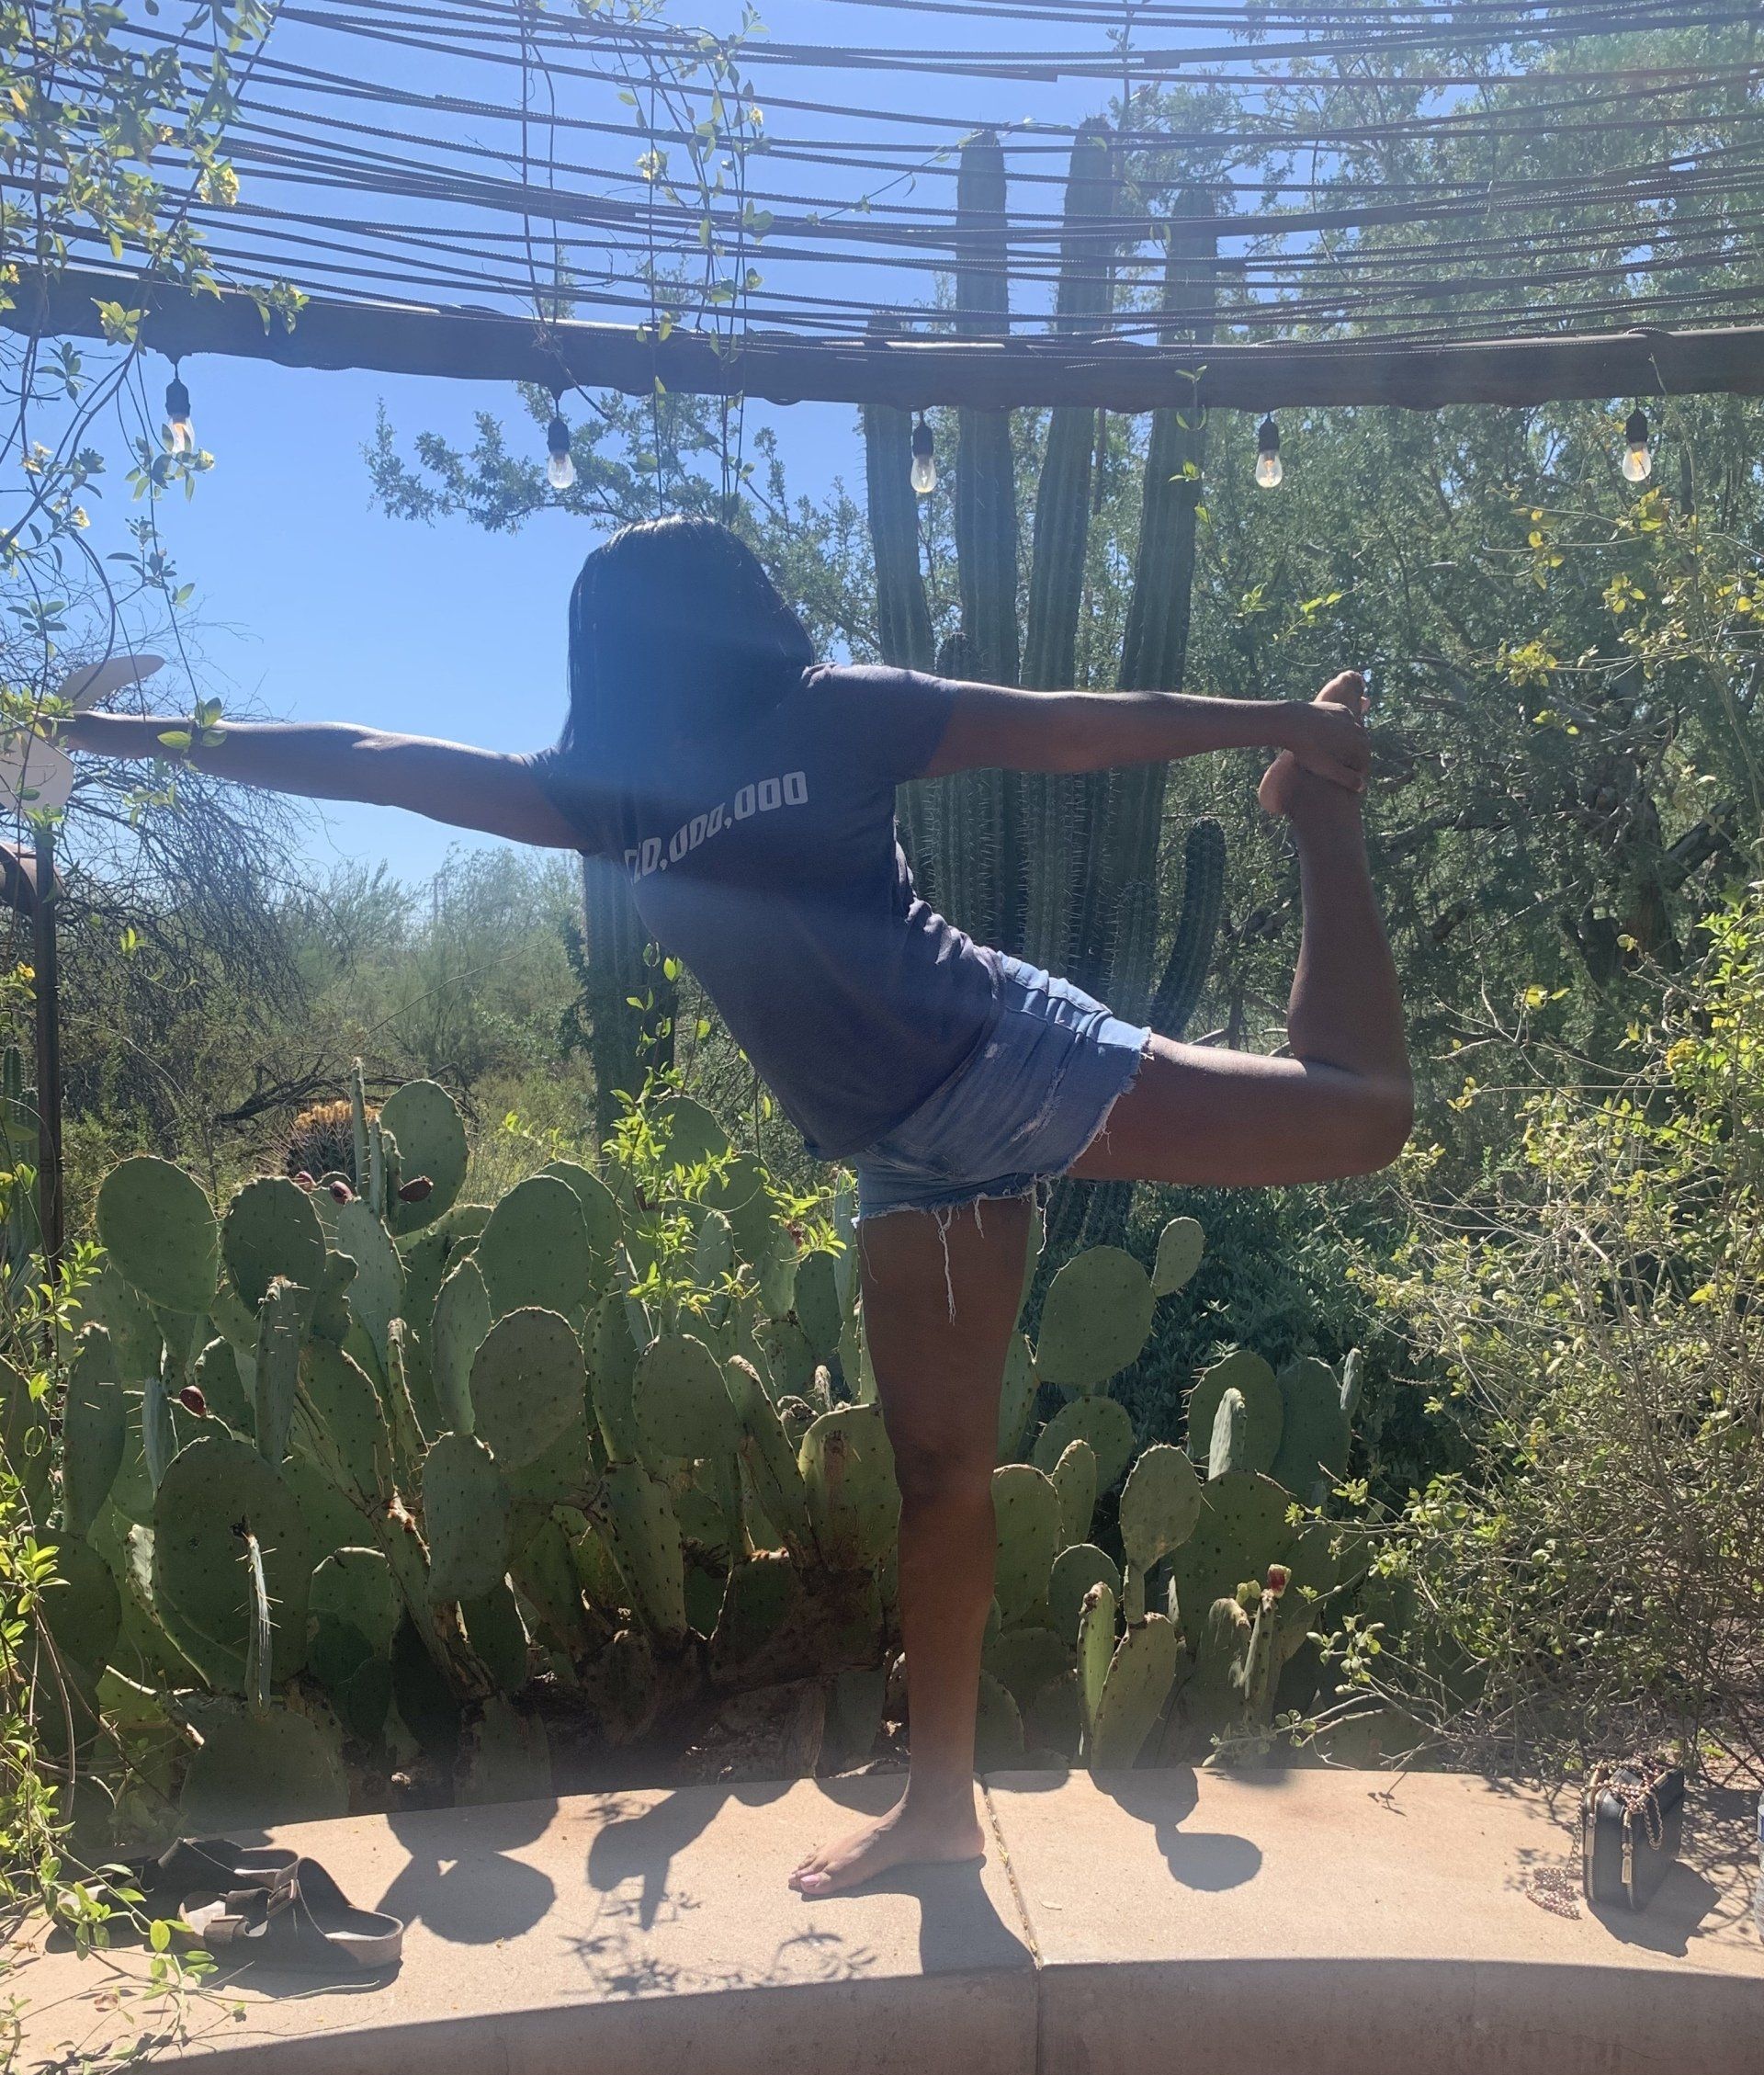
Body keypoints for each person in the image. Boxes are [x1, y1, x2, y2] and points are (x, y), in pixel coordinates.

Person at [64, 515, 1409, 1897]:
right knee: (941, 1483)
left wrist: (1276, 728)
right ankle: (938, 1810)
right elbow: (372, 763)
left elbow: (1062, 729)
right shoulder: (609, 796)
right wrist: (117, 740)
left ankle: (1316, 820)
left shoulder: (830, 714)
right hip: (902, 1156)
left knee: (1361, 1117)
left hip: (1003, 1062)